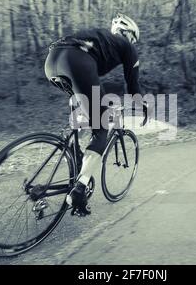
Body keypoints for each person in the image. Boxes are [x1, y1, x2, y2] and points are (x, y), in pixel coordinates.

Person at [44, 13, 148, 216]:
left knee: (83, 112)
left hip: (52, 60)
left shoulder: (100, 39)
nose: (133, 43)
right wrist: (142, 105)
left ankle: (74, 153)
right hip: (77, 62)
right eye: (133, 39)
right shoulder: (127, 47)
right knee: (101, 129)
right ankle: (80, 190)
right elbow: (133, 85)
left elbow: (104, 86)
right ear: (128, 34)